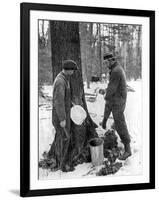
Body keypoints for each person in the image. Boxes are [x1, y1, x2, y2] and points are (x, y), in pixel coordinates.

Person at [48, 59, 78, 172]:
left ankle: (60, 161)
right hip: (60, 117)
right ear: (68, 70)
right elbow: (58, 102)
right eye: (73, 70)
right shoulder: (60, 81)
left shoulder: (65, 78)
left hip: (64, 115)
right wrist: (62, 119)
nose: (73, 72)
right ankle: (62, 165)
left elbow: (64, 98)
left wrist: (71, 103)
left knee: (63, 138)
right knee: (64, 139)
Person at [100, 53, 132, 160]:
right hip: (119, 98)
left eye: (106, 63)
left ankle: (128, 150)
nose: (105, 65)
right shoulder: (116, 69)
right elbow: (112, 87)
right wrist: (106, 91)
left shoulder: (116, 71)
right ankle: (112, 125)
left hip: (118, 100)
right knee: (117, 121)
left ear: (111, 60)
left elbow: (111, 92)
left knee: (120, 123)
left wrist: (106, 95)